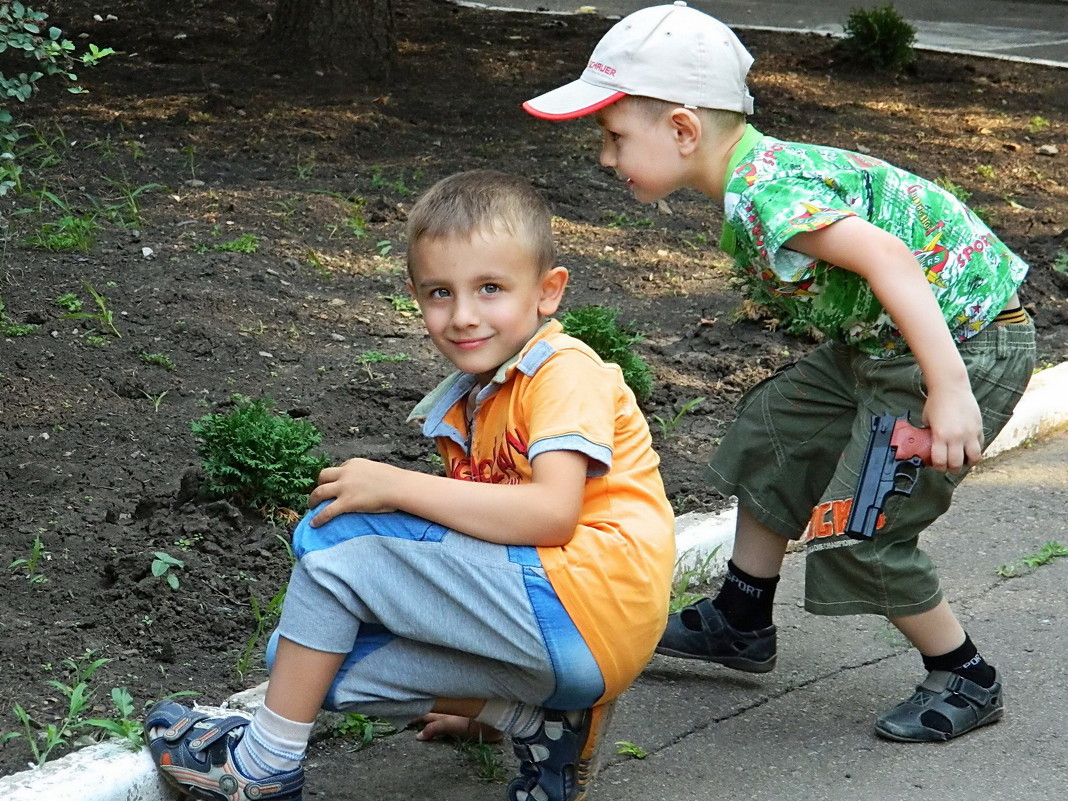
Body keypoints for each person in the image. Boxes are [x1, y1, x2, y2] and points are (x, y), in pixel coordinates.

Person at [523, 2, 1034, 743]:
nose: (605, 157)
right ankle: (740, 615)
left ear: (683, 130)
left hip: (961, 343)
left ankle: (966, 672)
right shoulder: (754, 175)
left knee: (861, 525)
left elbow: (890, 259)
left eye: (613, 136)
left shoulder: (768, 192)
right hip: (885, 343)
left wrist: (948, 389)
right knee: (775, 428)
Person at [145, 169, 675, 801]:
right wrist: (477, 706)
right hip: (563, 630)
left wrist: (396, 485)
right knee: (303, 659)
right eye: (440, 293)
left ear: (548, 291)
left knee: (334, 536)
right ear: (414, 296)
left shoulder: (563, 373)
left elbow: (552, 514)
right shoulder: (474, 399)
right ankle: (534, 720)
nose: (463, 315)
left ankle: (261, 767)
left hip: (591, 604)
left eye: (490, 288)